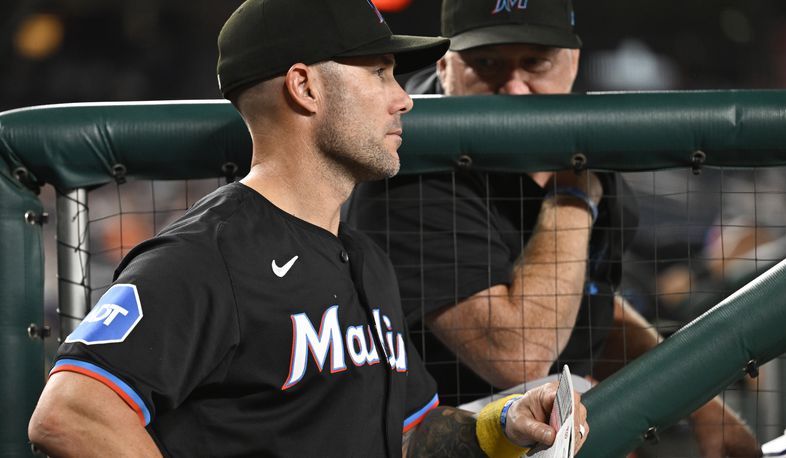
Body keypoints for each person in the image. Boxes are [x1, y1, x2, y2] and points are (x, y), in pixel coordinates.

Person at [27, 0, 589, 457]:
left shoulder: (364, 257)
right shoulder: (206, 253)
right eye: (379, 73)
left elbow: (410, 436)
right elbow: (71, 412)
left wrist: (507, 422)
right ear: (305, 87)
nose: (403, 99)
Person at [348, 0, 761, 456]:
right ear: (446, 66)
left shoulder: (582, 142)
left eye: (535, 63)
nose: (515, 88)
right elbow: (518, 354)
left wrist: (703, 407)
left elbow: (592, 306)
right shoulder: (408, 166)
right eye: (486, 64)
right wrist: (573, 196)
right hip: (418, 438)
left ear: (572, 63)